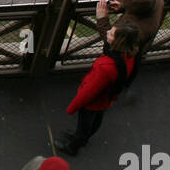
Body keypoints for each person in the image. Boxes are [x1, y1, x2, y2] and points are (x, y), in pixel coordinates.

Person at [57, 10, 140, 157]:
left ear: (118, 41)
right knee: (97, 118)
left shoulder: (105, 67)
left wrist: (72, 108)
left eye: (111, 33)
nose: (108, 33)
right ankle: (83, 138)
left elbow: (88, 92)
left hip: (94, 101)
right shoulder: (129, 54)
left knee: (85, 124)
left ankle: (73, 146)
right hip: (107, 98)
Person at [95, 0, 164, 85]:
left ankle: (121, 83)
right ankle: (128, 80)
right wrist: (123, 6)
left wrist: (102, 19)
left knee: (122, 68)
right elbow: (143, 8)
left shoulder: (134, 29)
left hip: (127, 51)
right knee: (135, 64)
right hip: (140, 45)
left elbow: (114, 41)